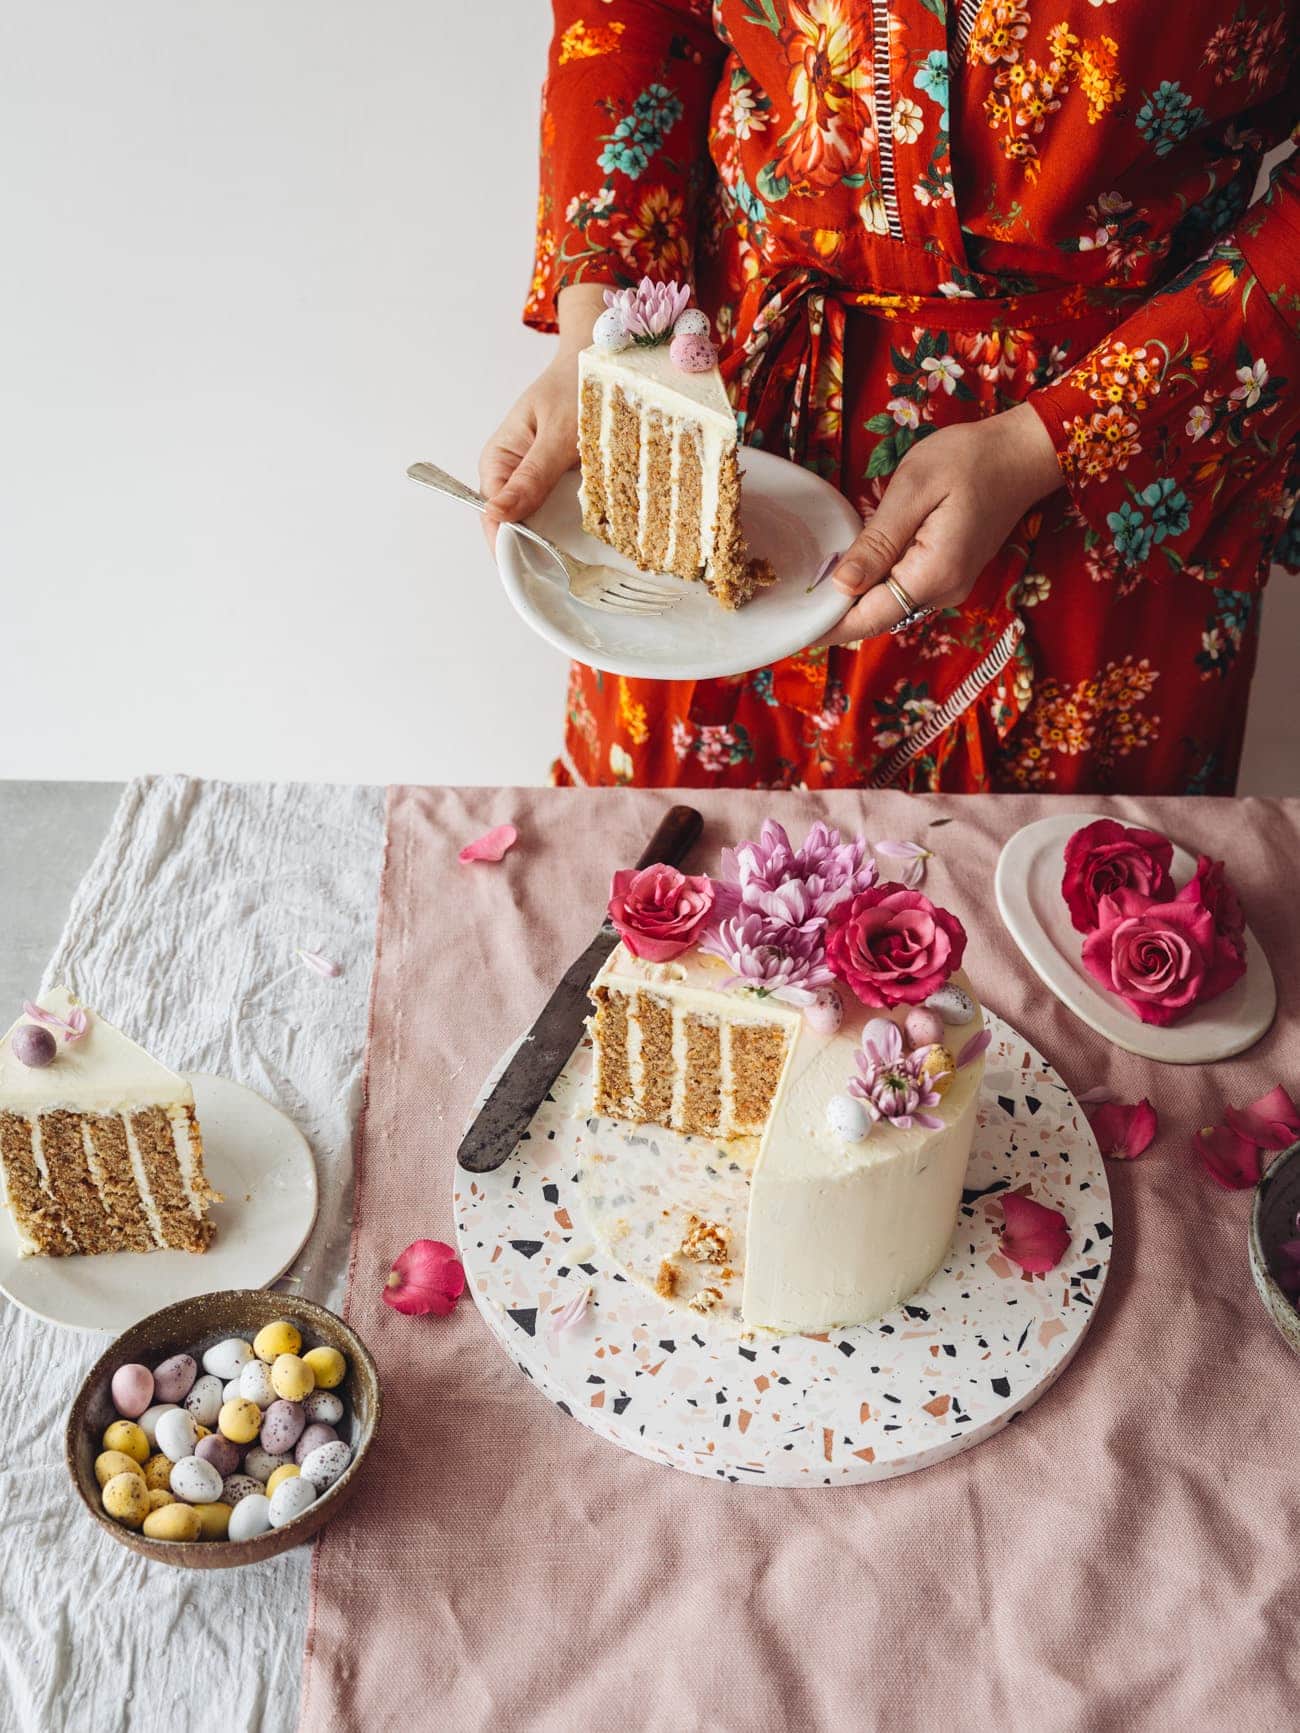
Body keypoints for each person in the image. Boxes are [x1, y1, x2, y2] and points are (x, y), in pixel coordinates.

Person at [480, 2, 1299, 793]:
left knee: (1036, 910)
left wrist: (1046, 443)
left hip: (1108, 467)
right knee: (680, 894)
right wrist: (607, 331)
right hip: (720, 438)